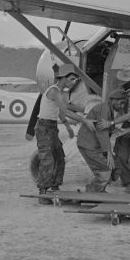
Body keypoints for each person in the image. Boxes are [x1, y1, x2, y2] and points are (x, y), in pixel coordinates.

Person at [35, 63, 77, 204]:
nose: (73, 83)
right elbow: (65, 109)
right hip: (44, 127)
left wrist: (67, 126)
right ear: (63, 78)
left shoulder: (60, 92)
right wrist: (84, 119)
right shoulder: (54, 91)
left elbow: (59, 112)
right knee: (47, 160)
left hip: (52, 127)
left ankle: (55, 187)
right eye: (71, 79)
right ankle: (43, 192)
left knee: (60, 158)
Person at [76, 88, 129, 193]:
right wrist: (108, 152)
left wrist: (113, 129)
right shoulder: (104, 108)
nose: (122, 106)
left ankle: (100, 190)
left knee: (116, 167)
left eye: (124, 104)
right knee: (105, 170)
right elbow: (102, 132)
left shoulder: (108, 109)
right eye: (121, 103)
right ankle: (91, 193)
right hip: (88, 145)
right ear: (113, 100)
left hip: (95, 145)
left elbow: (102, 128)